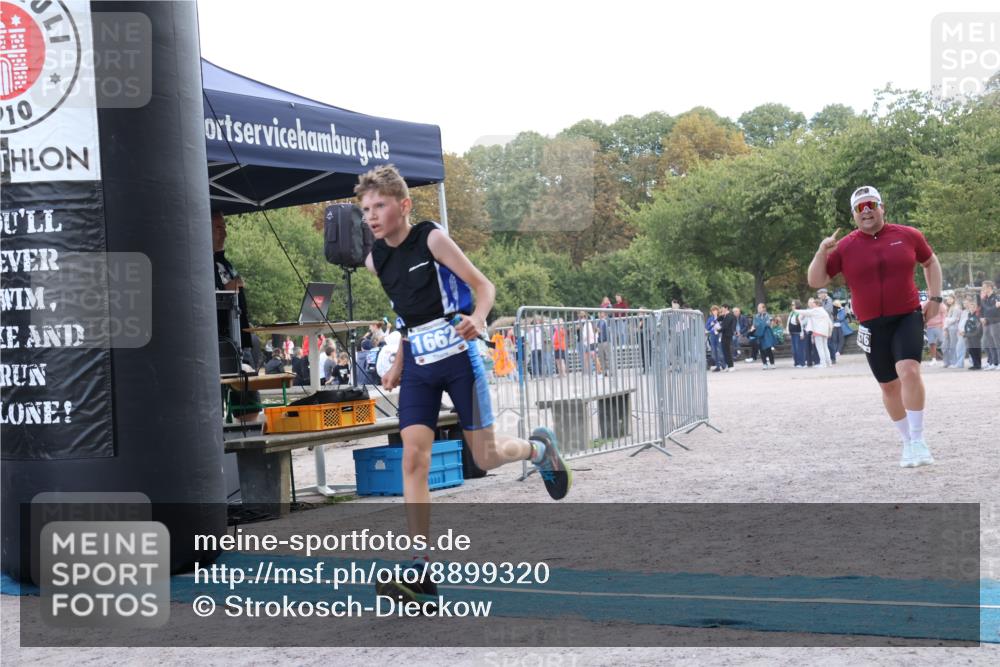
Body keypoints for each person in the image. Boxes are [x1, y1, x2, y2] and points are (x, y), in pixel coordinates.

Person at [357, 165, 570, 605]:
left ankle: (539, 450)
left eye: (380, 206)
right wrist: (399, 358)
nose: (372, 216)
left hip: (460, 358)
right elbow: (406, 312)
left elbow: (483, 285)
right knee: (413, 458)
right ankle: (420, 568)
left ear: (404, 205)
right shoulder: (376, 260)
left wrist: (478, 318)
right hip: (419, 363)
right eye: (365, 209)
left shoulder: (431, 238)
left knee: (485, 457)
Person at [808, 185, 942, 467]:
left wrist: (935, 298)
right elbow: (816, 281)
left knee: (909, 370)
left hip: (906, 315)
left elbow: (930, 262)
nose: (866, 211)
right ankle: (907, 442)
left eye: (871, 204)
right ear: (854, 215)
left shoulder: (908, 235)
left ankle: (919, 439)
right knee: (889, 387)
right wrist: (822, 251)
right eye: (860, 208)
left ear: (882, 207)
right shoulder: (845, 246)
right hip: (871, 323)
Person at [212, 210, 261, 421]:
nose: (225, 233)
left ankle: (250, 440)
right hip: (219, 344)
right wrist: (229, 288)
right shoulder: (199, 263)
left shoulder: (226, 263)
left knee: (249, 397)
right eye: (219, 228)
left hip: (241, 340)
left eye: (225, 227)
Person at [793, 298, 833, 367]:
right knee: (825, 347)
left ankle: (823, 363)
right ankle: (829, 363)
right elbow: (830, 323)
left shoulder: (816, 310)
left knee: (820, 348)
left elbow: (806, 312)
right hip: (825, 332)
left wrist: (795, 310)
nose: (812, 305)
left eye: (814, 304)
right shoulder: (824, 311)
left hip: (818, 331)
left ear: (817, 304)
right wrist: (830, 332)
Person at [979, 281, 1000, 370]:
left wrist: (994, 308)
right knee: (989, 344)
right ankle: (993, 363)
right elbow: (982, 311)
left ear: (990, 287)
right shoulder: (984, 299)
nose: (983, 289)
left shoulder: (996, 297)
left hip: (995, 323)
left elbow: (993, 311)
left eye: (984, 287)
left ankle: (999, 362)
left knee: (997, 343)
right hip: (987, 323)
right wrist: (981, 318)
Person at [750, 303, 777, 369]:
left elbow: (768, 324)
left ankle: (772, 363)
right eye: (758, 308)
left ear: (764, 308)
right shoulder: (756, 316)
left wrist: (760, 324)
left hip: (766, 334)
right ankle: (764, 363)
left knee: (768, 349)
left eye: (760, 308)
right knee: (761, 349)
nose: (758, 309)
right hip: (759, 334)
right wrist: (753, 328)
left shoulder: (768, 315)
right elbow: (754, 324)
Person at [961, 297, 983, 370]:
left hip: (975, 336)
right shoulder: (969, 315)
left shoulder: (977, 316)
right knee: (971, 350)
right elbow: (967, 325)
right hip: (969, 335)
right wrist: (965, 333)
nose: (971, 308)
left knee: (976, 350)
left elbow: (978, 327)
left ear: (975, 308)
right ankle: (974, 364)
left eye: (973, 307)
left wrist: (976, 334)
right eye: (970, 307)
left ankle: (978, 365)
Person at [922, 297, 945, 366]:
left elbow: (943, 315)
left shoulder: (940, 304)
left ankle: (947, 359)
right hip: (929, 327)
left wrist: (943, 325)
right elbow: (922, 312)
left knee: (943, 342)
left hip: (939, 326)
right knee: (932, 343)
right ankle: (934, 359)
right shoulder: (926, 303)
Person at [942, 295, 962, 368]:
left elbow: (954, 319)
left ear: (954, 299)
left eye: (950, 299)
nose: (948, 300)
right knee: (945, 346)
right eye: (947, 299)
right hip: (947, 328)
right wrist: (945, 326)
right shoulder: (949, 308)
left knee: (953, 345)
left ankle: (954, 362)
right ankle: (947, 362)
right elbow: (947, 319)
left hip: (953, 328)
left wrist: (947, 321)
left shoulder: (956, 308)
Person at [786, 301, 807, 368]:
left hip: (798, 333)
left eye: (793, 305)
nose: (792, 306)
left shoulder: (800, 313)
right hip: (793, 333)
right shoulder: (792, 313)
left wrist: (802, 334)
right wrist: (788, 331)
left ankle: (802, 363)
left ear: (797, 305)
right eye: (791, 305)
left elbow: (801, 324)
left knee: (799, 348)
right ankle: (796, 362)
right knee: (794, 349)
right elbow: (788, 323)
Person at [705, 305, 724, 372]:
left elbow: (723, 326)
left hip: (719, 335)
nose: (714, 312)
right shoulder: (710, 318)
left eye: (715, 310)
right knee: (714, 351)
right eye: (713, 310)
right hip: (713, 335)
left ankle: (723, 365)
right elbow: (707, 327)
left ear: (718, 311)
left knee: (720, 350)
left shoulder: (721, 317)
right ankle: (717, 366)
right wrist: (712, 326)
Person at [718, 304, 736, 372]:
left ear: (726, 308)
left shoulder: (729, 316)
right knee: (724, 351)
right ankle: (728, 365)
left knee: (727, 350)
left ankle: (731, 366)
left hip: (728, 335)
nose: (721, 309)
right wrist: (721, 314)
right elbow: (718, 319)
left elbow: (725, 326)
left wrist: (718, 330)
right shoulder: (725, 316)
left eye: (722, 308)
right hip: (724, 335)